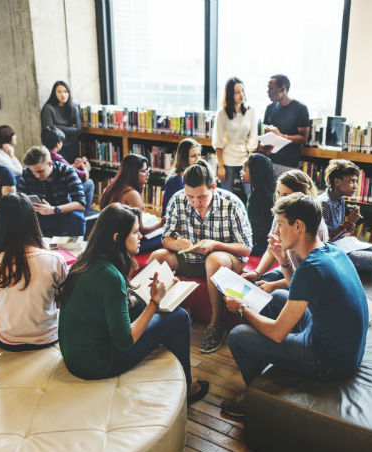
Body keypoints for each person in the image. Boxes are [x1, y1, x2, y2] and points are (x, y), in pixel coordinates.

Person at [220, 193, 369, 418]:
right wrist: (283, 260)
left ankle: (257, 396)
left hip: (329, 360)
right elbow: (296, 287)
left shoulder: (311, 268)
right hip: (344, 348)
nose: (276, 232)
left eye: (280, 224)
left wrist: (242, 309)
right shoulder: (330, 251)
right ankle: (275, 368)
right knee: (277, 297)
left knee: (238, 335)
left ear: (298, 225)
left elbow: (278, 333)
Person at [56, 203, 209, 403]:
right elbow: (124, 341)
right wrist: (154, 301)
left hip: (74, 355)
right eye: (135, 232)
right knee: (179, 317)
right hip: (96, 364)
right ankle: (186, 389)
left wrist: (154, 294)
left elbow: (110, 305)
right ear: (116, 238)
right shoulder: (110, 276)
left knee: (146, 306)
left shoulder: (86, 260)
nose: (141, 237)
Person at [149, 160, 252, 354]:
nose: (196, 203)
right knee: (158, 257)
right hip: (190, 260)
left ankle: (216, 325)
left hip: (225, 262)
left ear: (213, 187)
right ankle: (158, 313)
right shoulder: (177, 200)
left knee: (214, 259)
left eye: (202, 197)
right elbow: (166, 239)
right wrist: (175, 244)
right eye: (190, 197)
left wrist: (215, 246)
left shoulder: (232, 203)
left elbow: (246, 248)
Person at [0, 194, 67, 351]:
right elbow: (61, 302)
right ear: (32, 221)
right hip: (49, 336)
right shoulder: (55, 259)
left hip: (8, 339)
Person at [242, 169, 329, 292]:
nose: (279, 199)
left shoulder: (316, 227)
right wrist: (257, 273)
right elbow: (271, 249)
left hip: (308, 279)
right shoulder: (283, 213)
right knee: (257, 285)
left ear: (300, 197)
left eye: (286, 195)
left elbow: (307, 277)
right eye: (278, 193)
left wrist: (274, 285)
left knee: (273, 293)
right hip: (292, 267)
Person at [317, 160, 372, 272]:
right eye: (351, 182)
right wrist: (343, 228)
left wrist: (348, 226)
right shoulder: (324, 203)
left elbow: (339, 233)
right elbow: (324, 240)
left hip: (340, 244)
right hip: (327, 250)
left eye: (356, 182)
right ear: (337, 181)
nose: (355, 186)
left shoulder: (340, 198)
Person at [99, 153, 166, 253]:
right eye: (144, 171)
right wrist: (161, 224)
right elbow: (141, 230)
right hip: (122, 245)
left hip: (107, 240)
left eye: (148, 170)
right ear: (133, 173)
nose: (148, 173)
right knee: (164, 236)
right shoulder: (132, 194)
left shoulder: (110, 187)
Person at [17, 145, 86, 237]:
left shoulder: (67, 171)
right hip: (38, 215)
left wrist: (53, 210)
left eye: (40, 171)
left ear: (50, 164)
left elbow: (80, 204)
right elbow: (18, 198)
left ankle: (73, 248)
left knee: (77, 217)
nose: (36, 175)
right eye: (33, 172)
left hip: (62, 212)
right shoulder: (27, 172)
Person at [212, 77, 258, 196]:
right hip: (227, 160)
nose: (241, 94)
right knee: (227, 196)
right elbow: (218, 141)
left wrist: (249, 161)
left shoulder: (250, 111)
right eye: (237, 92)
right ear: (230, 94)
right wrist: (221, 166)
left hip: (245, 159)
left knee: (251, 194)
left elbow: (253, 138)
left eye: (243, 91)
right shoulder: (222, 113)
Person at [261, 74, 310, 178]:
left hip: (288, 165)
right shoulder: (269, 108)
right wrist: (265, 146)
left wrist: (282, 136)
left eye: (271, 88)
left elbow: (304, 138)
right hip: (269, 162)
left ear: (283, 89)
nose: (268, 92)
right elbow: (266, 136)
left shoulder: (300, 109)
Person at [41, 126, 94, 211]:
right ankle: (85, 213)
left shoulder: (42, 154)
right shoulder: (57, 157)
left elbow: (60, 169)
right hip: (62, 194)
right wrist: (86, 168)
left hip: (49, 195)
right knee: (89, 183)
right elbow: (83, 176)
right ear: (58, 144)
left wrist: (73, 165)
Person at [241, 153, 275, 256]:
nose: (241, 172)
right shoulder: (270, 192)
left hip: (261, 247)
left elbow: (256, 231)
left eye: (244, 170)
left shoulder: (256, 197)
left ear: (255, 172)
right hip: (265, 244)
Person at [41, 80, 82, 161]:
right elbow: (50, 132)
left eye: (66, 91)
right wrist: (70, 128)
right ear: (54, 94)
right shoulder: (49, 108)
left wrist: (58, 127)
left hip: (72, 145)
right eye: (59, 92)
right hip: (57, 147)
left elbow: (78, 129)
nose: (63, 95)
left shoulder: (74, 107)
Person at [161, 138, 201, 216]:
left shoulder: (194, 175)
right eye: (193, 156)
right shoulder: (175, 180)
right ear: (184, 158)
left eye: (199, 155)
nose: (198, 159)